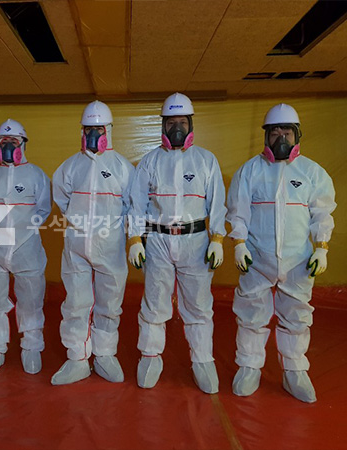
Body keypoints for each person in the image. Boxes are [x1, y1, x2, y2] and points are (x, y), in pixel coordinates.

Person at [227, 103, 336, 403]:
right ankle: (249, 366)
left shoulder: (312, 173)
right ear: (266, 136)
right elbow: (238, 213)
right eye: (274, 133)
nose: (281, 138)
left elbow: (322, 214)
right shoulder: (249, 171)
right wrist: (239, 244)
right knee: (251, 314)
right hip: (257, 259)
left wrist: (321, 248)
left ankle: (294, 371)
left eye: (286, 132)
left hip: (298, 260)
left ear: (297, 134)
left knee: (297, 316)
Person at [128, 93, 226, 392]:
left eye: (182, 122)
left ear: (191, 124)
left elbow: (217, 203)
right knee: (155, 301)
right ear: (163, 125)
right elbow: (136, 203)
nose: (177, 129)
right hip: (157, 239)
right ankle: (150, 356)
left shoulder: (206, 160)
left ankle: (202, 360)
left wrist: (217, 238)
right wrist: (135, 239)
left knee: (198, 304)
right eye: (171, 123)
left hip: (195, 241)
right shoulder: (150, 161)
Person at [51, 100, 134, 385]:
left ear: (109, 130)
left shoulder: (123, 168)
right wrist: (80, 222)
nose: (93, 135)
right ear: (82, 131)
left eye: (99, 129)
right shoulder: (70, 167)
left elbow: (131, 206)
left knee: (110, 301)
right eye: (88, 129)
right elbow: (62, 198)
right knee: (76, 301)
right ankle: (77, 358)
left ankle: (105, 355)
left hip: (110, 246)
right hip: (76, 245)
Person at [0, 119, 51, 375]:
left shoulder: (37, 175)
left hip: (26, 246)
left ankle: (32, 346)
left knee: (31, 299)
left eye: (13, 141)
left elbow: (43, 209)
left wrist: (24, 229)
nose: (8, 146)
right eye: (3, 142)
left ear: (23, 144)